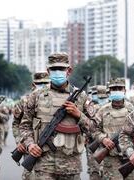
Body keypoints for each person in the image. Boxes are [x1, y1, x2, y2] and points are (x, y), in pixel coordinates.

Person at [19, 52, 95, 180]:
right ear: (48, 71)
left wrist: (79, 115)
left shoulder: (81, 97)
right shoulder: (36, 96)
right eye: (54, 69)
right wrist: (30, 145)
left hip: (71, 166)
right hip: (43, 165)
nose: (57, 71)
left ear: (69, 70)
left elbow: (95, 129)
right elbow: (25, 126)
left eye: (61, 68)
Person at [93, 78, 134, 180]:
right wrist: (103, 139)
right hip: (111, 159)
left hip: (130, 157)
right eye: (114, 89)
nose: (117, 90)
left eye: (119, 88)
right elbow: (93, 129)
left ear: (124, 90)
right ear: (109, 91)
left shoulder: (132, 109)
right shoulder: (103, 110)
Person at [12, 71, 50, 180]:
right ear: (33, 84)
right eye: (39, 83)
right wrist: (19, 140)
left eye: (45, 83)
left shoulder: (55, 101)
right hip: (30, 144)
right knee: (29, 175)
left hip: (49, 145)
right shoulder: (24, 101)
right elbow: (16, 123)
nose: (42, 86)